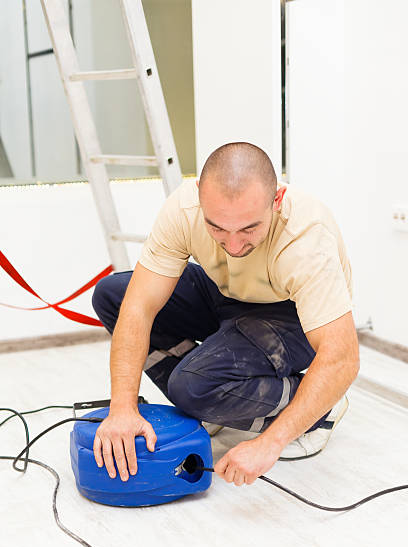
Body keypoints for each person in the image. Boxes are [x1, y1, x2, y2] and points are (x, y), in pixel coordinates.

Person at [91, 142, 359, 487]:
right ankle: (215, 399)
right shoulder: (183, 208)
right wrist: (122, 409)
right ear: (200, 196)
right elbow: (139, 306)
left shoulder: (305, 239)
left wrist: (270, 443)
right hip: (226, 292)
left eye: (249, 228)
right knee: (114, 295)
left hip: (290, 314)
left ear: (276, 200)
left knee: (191, 387)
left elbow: (342, 358)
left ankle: (320, 413)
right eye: (217, 228)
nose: (233, 246)